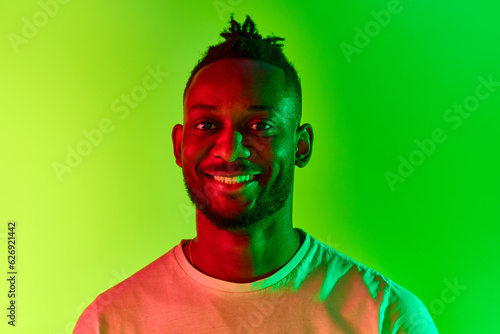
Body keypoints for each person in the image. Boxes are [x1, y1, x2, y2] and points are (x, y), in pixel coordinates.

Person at [74, 14, 438, 333]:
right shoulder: (111, 323)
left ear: (301, 146)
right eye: (206, 124)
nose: (230, 149)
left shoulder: (386, 318)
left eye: (260, 125)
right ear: (179, 146)